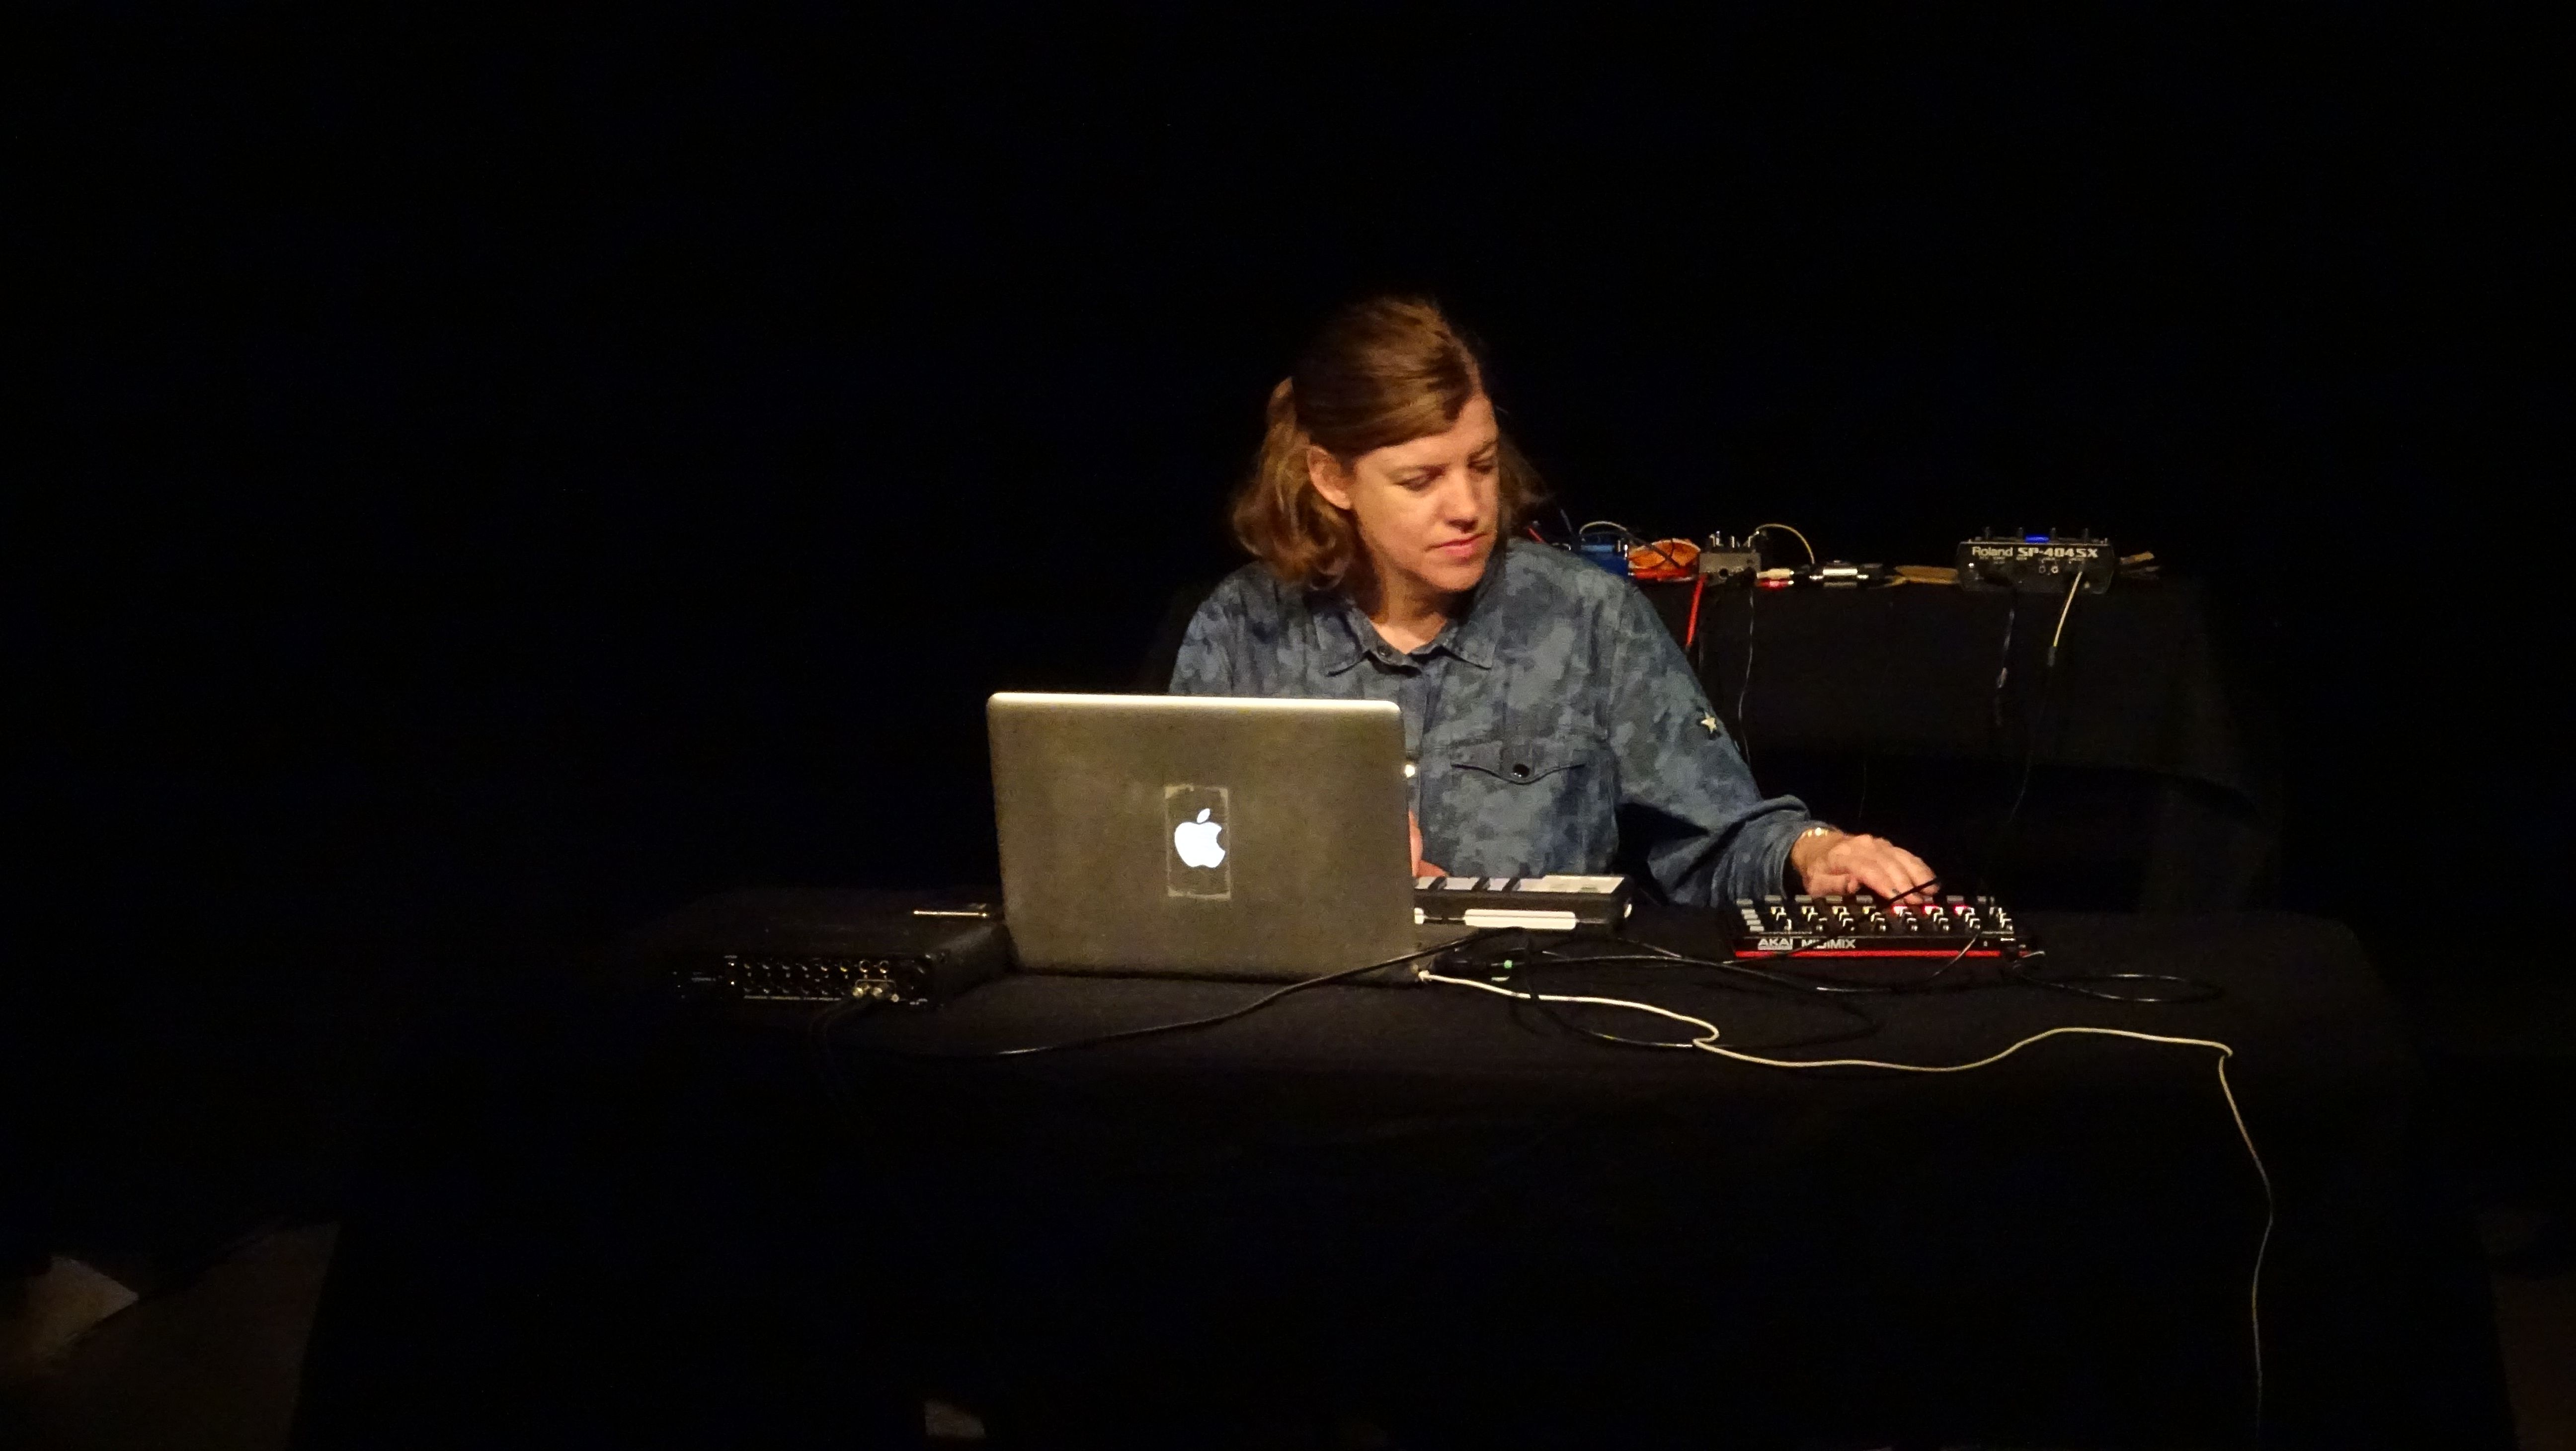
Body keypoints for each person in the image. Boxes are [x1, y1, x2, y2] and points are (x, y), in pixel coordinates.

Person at [1169, 296, 1936, 904]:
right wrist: (1313, 866)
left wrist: (1815, 852)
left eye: (1480, 465)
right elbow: (1173, 859)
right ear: (1333, 479)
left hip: (1533, 1014)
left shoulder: (1588, 619)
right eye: (1421, 480)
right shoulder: (1243, 631)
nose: (1468, 506)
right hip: (1304, 1022)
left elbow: (1719, 835)